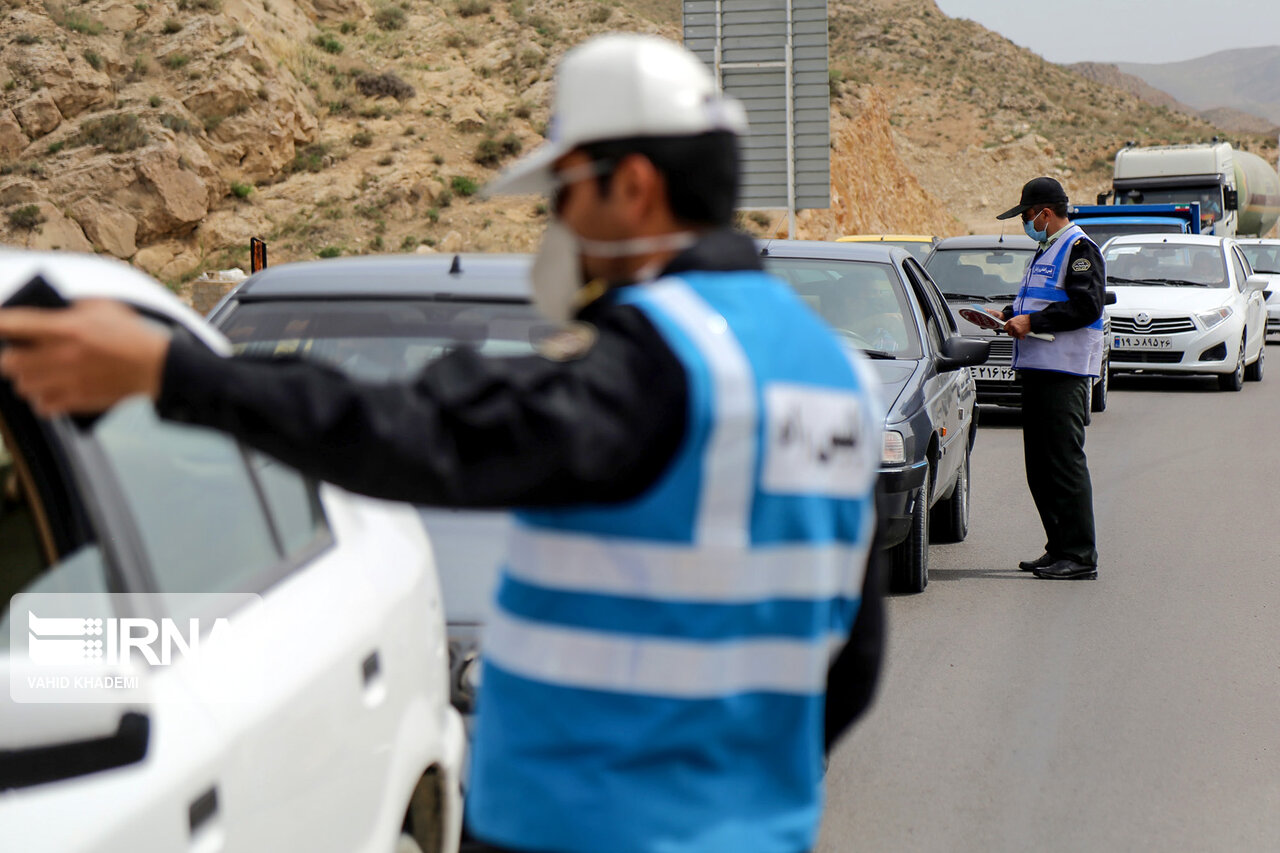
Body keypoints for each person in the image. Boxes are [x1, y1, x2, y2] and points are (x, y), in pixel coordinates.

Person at [0, 34, 885, 853]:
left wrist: (170, 370)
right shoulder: (834, 374)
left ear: (634, 187)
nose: (557, 223)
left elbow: (418, 431)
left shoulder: (659, 362)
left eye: (564, 192)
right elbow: (855, 654)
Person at [993, 177, 1104, 581]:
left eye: (1026, 215)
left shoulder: (1078, 249)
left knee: (1063, 465)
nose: (1025, 221)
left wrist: (1034, 321)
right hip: (1040, 369)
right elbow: (1041, 300)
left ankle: (1079, 556)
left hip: (1065, 372)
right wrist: (1010, 314)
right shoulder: (1047, 249)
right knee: (1040, 468)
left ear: (1044, 212)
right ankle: (1058, 547)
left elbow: (1086, 306)